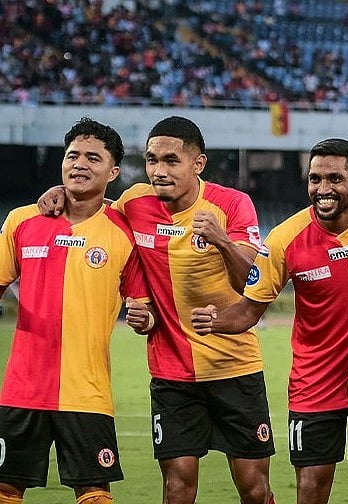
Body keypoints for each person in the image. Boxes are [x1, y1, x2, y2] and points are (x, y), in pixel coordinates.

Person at [38, 116, 276, 504]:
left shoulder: (232, 204)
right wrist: (61, 192)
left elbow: (248, 281)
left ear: (198, 163)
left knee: (253, 488)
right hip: (171, 372)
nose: (159, 172)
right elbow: (92, 209)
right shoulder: (135, 202)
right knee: (177, 486)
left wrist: (220, 239)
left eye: (170, 161)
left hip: (234, 367)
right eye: (152, 161)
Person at [190, 138, 348, 504]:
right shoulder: (284, 239)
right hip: (315, 385)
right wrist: (216, 320)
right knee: (310, 490)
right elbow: (249, 311)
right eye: (315, 180)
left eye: (334, 179)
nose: (323, 190)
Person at [0, 118, 152, 504]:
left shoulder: (124, 230)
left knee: (93, 491)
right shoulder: (22, 221)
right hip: (22, 388)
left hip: (87, 391)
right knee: (5, 487)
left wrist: (143, 319)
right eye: (72, 155)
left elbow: (143, 308)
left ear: (113, 171)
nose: (79, 163)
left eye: (93, 158)